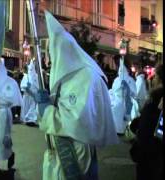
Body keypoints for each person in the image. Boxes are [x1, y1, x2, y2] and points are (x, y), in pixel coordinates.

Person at [31, 11, 118, 180]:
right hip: (57, 150)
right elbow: (63, 106)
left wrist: (47, 111)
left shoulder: (84, 76)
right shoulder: (67, 76)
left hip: (75, 149)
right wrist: (46, 102)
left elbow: (77, 120)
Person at [131, 64, 163, 180]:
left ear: (159, 79)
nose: (153, 79)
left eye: (155, 77)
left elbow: (145, 130)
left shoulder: (154, 100)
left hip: (150, 155)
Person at [109, 58, 140, 134]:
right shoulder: (117, 80)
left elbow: (134, 95)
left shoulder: (130, 80)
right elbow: (113, 92)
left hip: (124, 106)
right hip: (116, 106)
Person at [20, 60, 39, 126]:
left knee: (33, 107)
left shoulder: (36, 76)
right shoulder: (26, 77)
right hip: (28, 96)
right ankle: (27, 119)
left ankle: (31, 119)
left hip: (34, 96)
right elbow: (25, 88)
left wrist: (35, 94)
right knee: (27, 108)